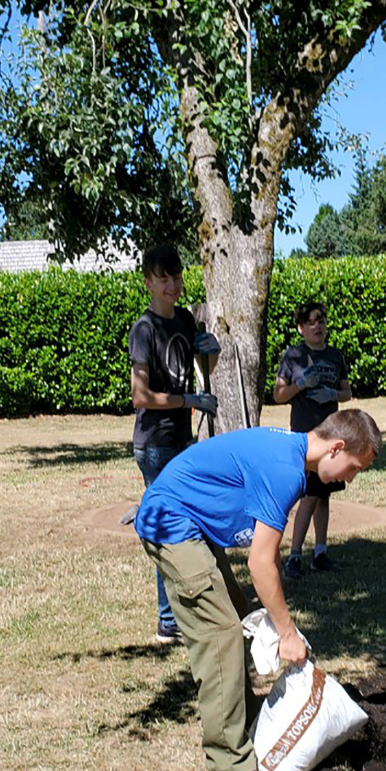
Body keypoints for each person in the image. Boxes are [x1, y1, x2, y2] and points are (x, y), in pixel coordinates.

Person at [133, 409, 382, 771]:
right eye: (354, 468)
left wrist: (279, 610)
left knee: (233, 613)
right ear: (336, 447)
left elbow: (270, 553)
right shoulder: (286, 470)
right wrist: (286, 632)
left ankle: (245, 724)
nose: (349, 480)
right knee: (219, 633)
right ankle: (228, 767)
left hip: (192, 523)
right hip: (171, 522)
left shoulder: (294, 460)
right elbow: (259, 561)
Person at [128, 244, 220, 645]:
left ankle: (182, 610)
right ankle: (169, 619)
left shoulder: (184, 318)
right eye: (164, 278)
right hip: (155, 444)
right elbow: (140, 396)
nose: (173, 285)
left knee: (185, 522)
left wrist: (210, 353)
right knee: (168, 527)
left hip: (182, 438)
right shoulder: (144, 330)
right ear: (148, 281)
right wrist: (190, 401)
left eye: (178, 277)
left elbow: (201, 369)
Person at [273, 302, 352, 579]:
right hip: (306, 438)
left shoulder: (334, 356)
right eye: (311, 322)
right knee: (309, 495)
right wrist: (301, 384)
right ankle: (294, 557)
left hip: (332, 435)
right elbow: (278, 395)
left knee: (324, 495)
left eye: (321, 321)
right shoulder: (294, 356)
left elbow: (347, 392)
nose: (318, 326)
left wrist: (332, 394)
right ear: (301, 328)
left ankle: (320, 552)